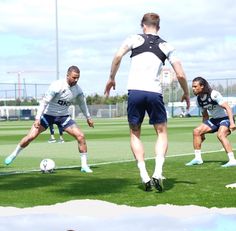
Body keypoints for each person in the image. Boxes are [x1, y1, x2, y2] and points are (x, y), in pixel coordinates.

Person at [104, 12, 190, 192]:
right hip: (154, 94)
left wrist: (111, 78)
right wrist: (186, 93)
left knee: (135, 134)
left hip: (135, 92)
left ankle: (144, 174)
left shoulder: (134, 38)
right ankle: (158, 172)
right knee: (162, 132)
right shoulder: (167, 46)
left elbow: (118, 56)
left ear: (143, 25)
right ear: (158, 26)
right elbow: (180, 74)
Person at [5, 66, 94, 173]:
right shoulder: (57, 85)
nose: (76, 80)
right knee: (31, 136)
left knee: (81, 136)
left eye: (78, 78)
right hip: (47, 115)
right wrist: (37, 118)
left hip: (63, 117)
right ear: (67, 75)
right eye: (74, 77)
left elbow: (82, 104)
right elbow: (44, 102)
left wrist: (88, 117)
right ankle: (14, 154)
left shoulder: (78, 90)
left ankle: (84, 166)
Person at [186, 77, 236, 167]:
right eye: (192, 86)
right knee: (196, 131)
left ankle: (232, 160)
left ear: (202, 86)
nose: (193, 88)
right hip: (215, 120)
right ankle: (198, 159)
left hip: (226, 118)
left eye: (195, 86)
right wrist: (203, 133)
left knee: (221, 135)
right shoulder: (198, 100)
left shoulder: (214, 94)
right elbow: (205, 116)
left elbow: (228, 107)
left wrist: (232, 123)